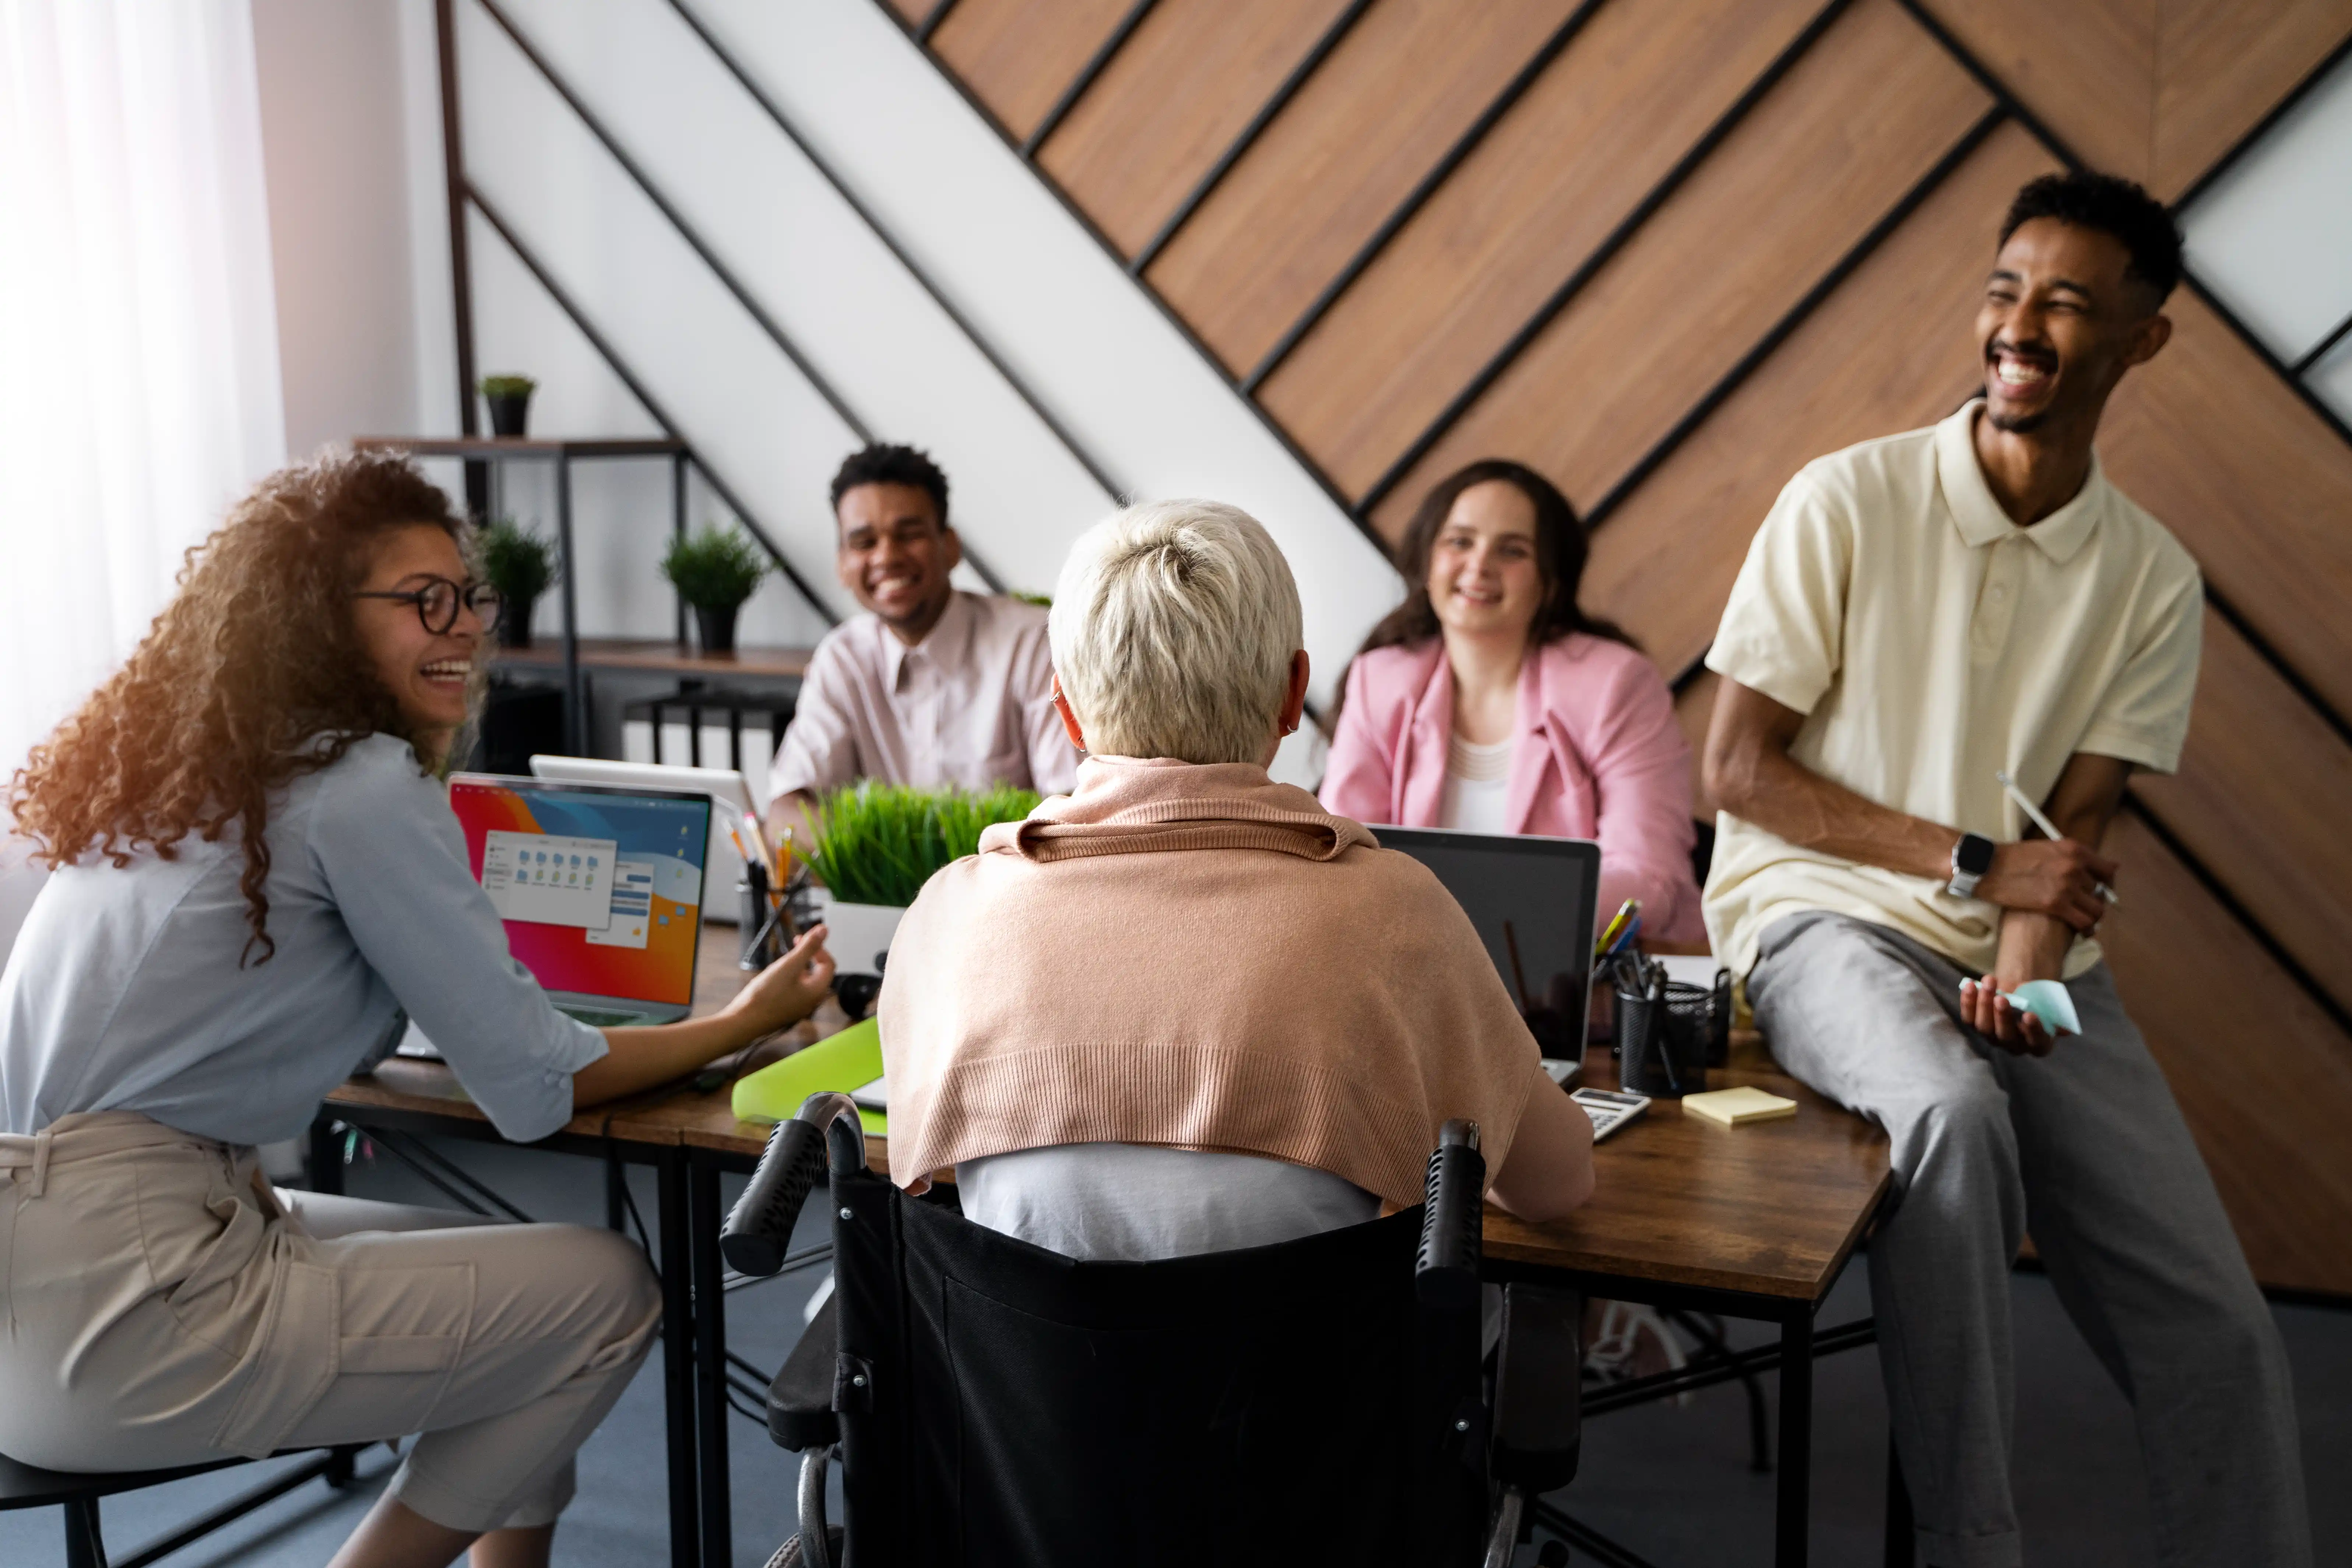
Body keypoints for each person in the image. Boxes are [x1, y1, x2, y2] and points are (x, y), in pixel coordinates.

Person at [0, 452, 837, 1568]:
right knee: (604, 1295)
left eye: (467, 599)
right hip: (132, 1305)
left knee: (517, 1291)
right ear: (316, 621)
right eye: (421, 600)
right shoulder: (358, 786)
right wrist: (747, 1021)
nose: (461, 629)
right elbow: (536, 1091)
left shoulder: (191, 773)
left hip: (43, 1292)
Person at [1701, 173, 2309, 1567]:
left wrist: (2025, 962)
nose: (2017, 326)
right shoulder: (1844, 499)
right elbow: (1734, 771)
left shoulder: (2150, 577)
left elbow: (2075, 832)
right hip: (1820, 918)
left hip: (2028, 953)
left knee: (2215, 1323)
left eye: (2063, 303)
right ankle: (1975, 1543)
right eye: (2002, 288)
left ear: (2140, 342)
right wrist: (1975, 870)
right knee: (1949, 1119)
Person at [877, 500, 1595, 1261]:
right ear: (1294, 693)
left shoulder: (947, 918)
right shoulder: (1397, 912)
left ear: (1068, 715)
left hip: (1007, 1379)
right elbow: (1558, 1185)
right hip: (1319, 1381)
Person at [1320, 460, 1704, 943]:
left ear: (1551, 580)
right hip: (1413, 971)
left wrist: (1499, 920)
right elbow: (1341, 856)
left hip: (1580, 981)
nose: (1479, 565)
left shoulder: (1615, 684)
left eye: (1512, 550)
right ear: (1426, 559)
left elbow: (1649, 879)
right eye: (1459, 541)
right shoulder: (1380, 678)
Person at [767, 444, 1079, 845]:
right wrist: (889, 866)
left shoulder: (1033, 643)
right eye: (864, 542)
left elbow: (1071, 811)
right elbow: (784, 816)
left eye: (909, 534)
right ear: (843, 563)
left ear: (949, 546)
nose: (887, 557)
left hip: (1008, 902)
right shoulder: (842, 658)